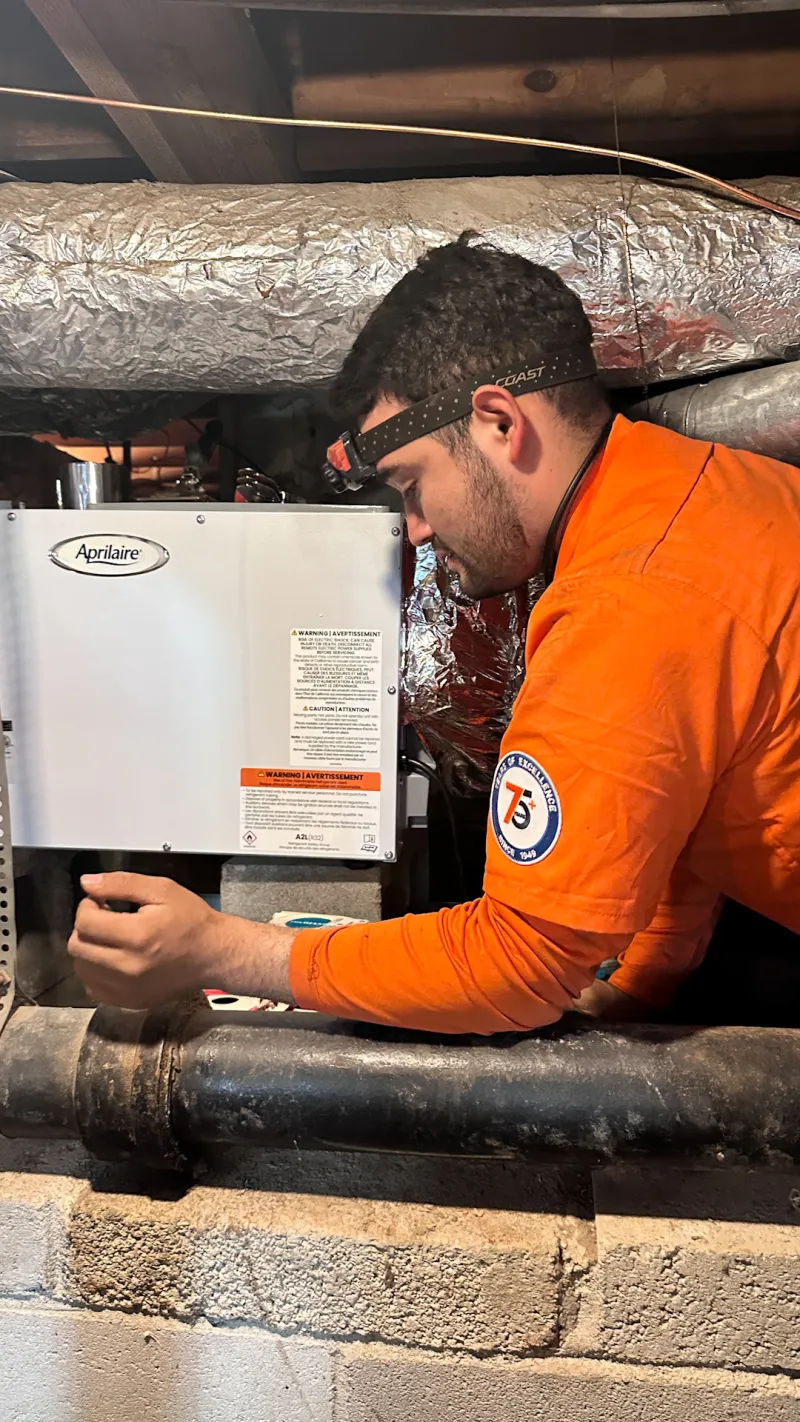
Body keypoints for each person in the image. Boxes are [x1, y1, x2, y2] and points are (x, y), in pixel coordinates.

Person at [69, 235, 800, 1033]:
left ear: (496, 421)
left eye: (413, 483)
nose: (413, 528)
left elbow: (519, 961)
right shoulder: (712, 492)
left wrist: (219, 950)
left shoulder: (632, 599)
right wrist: (641, 985)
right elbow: (674, 811)